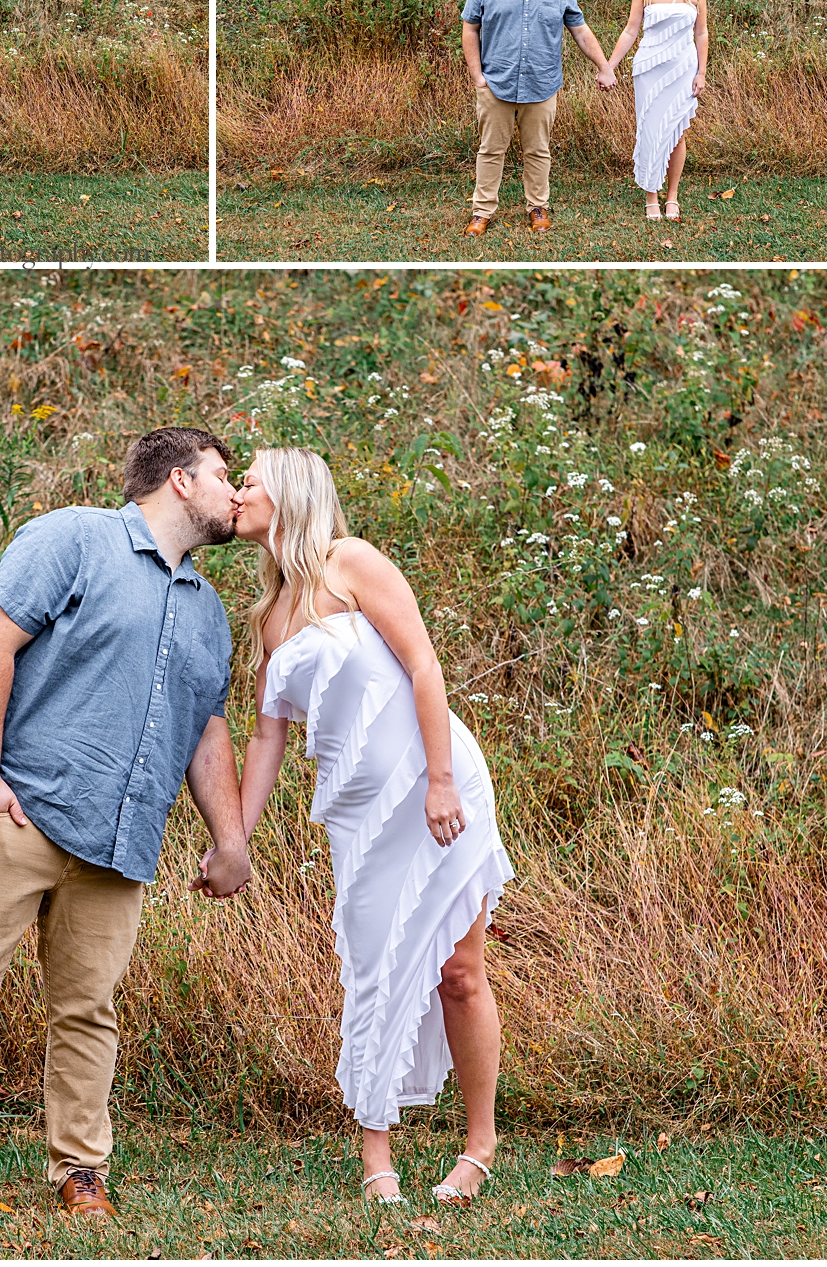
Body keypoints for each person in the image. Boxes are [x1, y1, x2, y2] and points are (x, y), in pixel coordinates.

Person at [0, 428, 253, 1226]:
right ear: (181, 479)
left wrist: (231, 839)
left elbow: (207, 728)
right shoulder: (73, 538)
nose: (239, 493)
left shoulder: (209, 610)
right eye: (226, 477)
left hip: (120, 838)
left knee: (89, 1010)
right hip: (17, 810)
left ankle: (80, 1170)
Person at [229, 449, 514, 1206]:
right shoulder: (271, 616)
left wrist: (443, 780)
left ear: (288, 491)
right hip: (356, 816)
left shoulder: (350, 561)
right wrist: (238, 838)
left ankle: (479, 1146)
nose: (236, 492)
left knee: (460, 972)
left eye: (248, 479)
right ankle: (375, 1153)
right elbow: (266, 740)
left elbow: (423, 664)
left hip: (433, 786)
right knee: (370, 971)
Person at [459, 0, 616, 237]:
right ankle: (482, 211)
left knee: (538, 150)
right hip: (496, 83)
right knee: (491, 150)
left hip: (542, 85)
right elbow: (470, 28)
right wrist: (478, 76)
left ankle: (537, 207)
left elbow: (580, 31)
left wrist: (604, 66)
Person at [602, 0, 709, 221]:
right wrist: (609, 66)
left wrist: (701, 71)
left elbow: (701, 33)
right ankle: (651, 197)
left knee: (677, 132)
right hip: (650, 68)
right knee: (649, 130)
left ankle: (672, 197)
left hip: (683, 69)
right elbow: (630, 31)